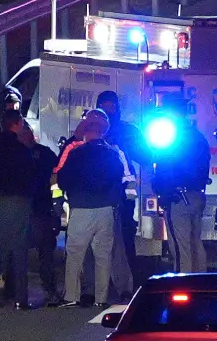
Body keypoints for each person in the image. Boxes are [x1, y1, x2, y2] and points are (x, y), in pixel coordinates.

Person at [56, 110, 130, 307]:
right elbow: (119, 178)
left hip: (81, 208)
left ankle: (71, 296)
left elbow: (62, 179)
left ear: (86, 132)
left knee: (75, 254)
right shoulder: (112, 154)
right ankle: (101, 299)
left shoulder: (76, 154)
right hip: (106, 210)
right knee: (103, 256)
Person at [0, 110, 35, 308]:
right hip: (17, 202)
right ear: (16, 124)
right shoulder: (21, 150)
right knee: (19, 249)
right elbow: (29, 177)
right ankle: (20, 299)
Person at [152, 102, 212, 273]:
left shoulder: (173, 138)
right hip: (196, 195)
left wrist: (162, 191)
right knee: (195, 244)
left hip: (178, 197)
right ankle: (200, 282)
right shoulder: (198, 136)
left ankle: (183, 284)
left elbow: (166, 169)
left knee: (180, 248)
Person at [96, 90, 146, 292]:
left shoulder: (128, 131)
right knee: (100, 242)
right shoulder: (93, 130)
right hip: (100, 196)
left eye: (112, 106)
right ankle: (103, 284)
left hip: (124, 197)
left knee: (125, 241)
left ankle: (129, 286)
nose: (109, 110)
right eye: (105, 106)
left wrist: (126, 145)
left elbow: (146, 155)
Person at [16, 119, 63, 306]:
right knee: (24, 253)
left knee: (44, 253)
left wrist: (56, 208)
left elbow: (57, 177)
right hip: (25, 210)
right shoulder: (18, 153)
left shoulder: (44, 153)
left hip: (39, 210)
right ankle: (20, 293)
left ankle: (47, 290)